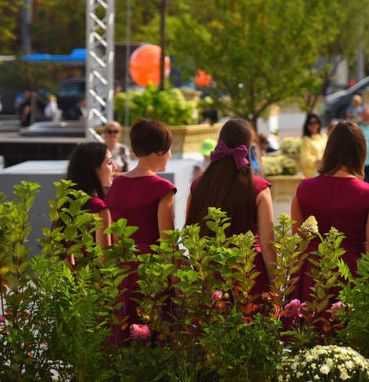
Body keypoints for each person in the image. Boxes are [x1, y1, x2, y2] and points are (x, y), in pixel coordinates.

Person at [291, 122, 369, 296]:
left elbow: (297, 243)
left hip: (311, 274)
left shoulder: (303, 189)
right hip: (352, 274)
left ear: (329, 150)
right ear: (361, 152)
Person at [186, 119, 275, 300]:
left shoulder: (198, 186)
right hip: (248, 273)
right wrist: (276, 286)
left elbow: (190, 235)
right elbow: (268, 245)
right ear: (248, 146)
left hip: (210, 273)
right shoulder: (258, 188)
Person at [105, 118, 176, 328]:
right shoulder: (162, 188)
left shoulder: (116, 184)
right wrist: (179, 287)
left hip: (119, 272)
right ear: (160, 151)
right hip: (151, 272)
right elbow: (167, 244)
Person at [65, 142, 114, 249]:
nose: (115, 167)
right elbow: (104, 258)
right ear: (93, 168)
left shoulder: (66, 202)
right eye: (109, 163)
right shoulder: (98, 207)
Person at [298, 113, 327, 177]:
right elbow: (304, 158)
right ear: (307, 125)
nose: (313, 125)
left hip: (325, 171)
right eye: (311, 123)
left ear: (319, 124)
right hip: (312, 174)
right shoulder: (306, 140)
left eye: (316, 122)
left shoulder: (324, 137)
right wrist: (317, 161)